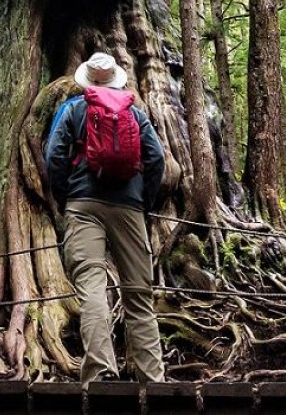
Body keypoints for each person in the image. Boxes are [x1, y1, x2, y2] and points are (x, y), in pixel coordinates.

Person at [44, 51, 167, 382]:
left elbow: (54, 154)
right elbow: (156, 159)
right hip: (129, 207)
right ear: (116, 80)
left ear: (87, 82)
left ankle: (100, 373)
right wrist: (143, 201)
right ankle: (152, 378)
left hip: (83, 204)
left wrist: (64, 195)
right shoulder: (135, 114)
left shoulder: (72, 109)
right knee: (139, 294)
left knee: (92, 287)